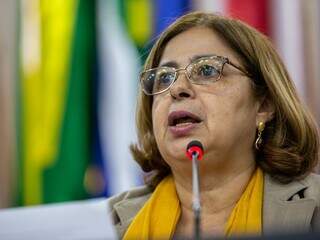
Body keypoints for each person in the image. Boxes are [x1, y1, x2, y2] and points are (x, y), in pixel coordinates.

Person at [108, 11, 320, 239]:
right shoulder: (104, 223)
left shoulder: (314, 208)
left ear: (264, 106)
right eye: (164, 77)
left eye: (206, 70)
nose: (177, 88)